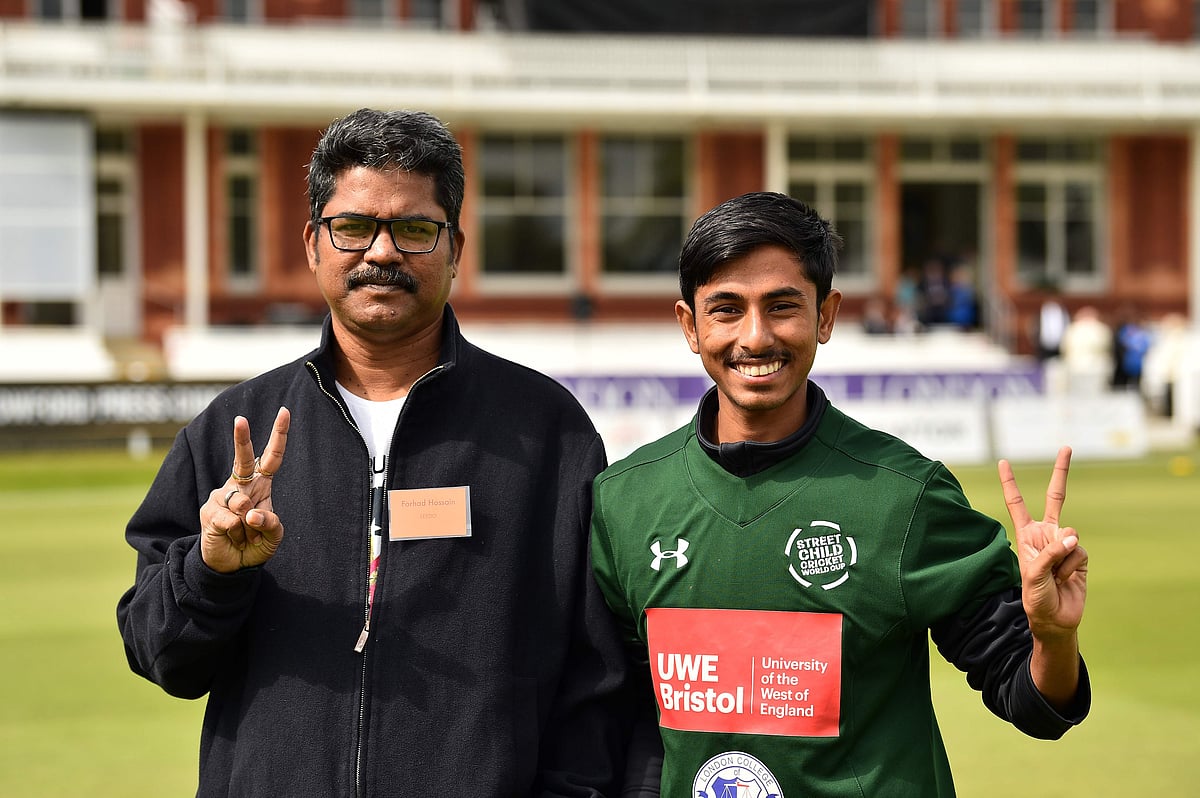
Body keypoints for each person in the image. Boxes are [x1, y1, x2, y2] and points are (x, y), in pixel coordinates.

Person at [117, 108, 631, 797]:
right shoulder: (232, 432)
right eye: (354, 227)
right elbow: (163, 657)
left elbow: (597, 677)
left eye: (415, 229)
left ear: (455, 249)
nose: (382, 252)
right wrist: (214, 573)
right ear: (314, 244)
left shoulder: (546, 433)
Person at [590, 192, 1090, 796]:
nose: (755, 336)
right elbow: (618, 717)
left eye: (782, 306)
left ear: (825, 317)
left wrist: (1053, 638)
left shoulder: (904, 495)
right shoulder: (625, 501)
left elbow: (1035, 702)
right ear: (689, 326)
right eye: (726, 309)